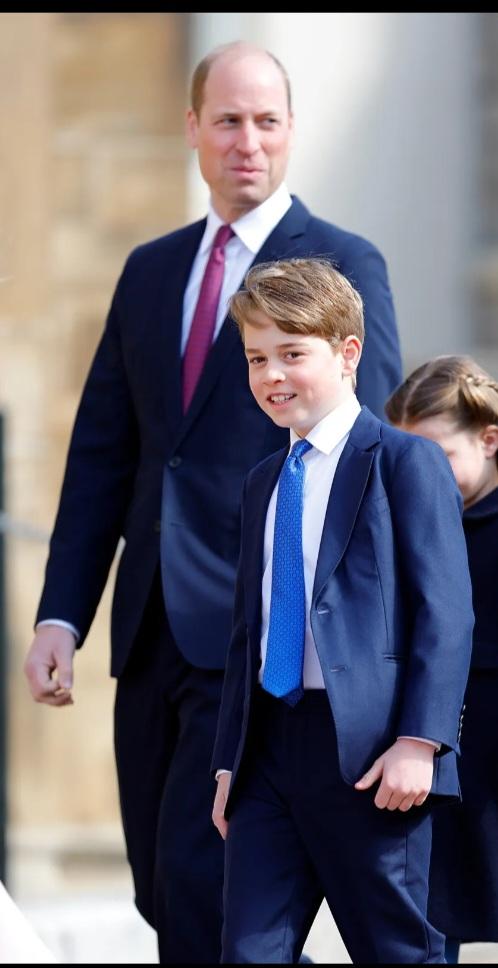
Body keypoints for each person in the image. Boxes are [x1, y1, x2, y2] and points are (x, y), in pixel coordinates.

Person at [23, 42, 402, 964]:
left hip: (259, 633)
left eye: (267, 121)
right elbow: (104, 454)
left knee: (204, 884)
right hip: (150, 627)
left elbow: (373, 460)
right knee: (161, 890)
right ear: (192, 128)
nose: (248, 142)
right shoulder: (150, 271)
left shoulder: (344, 261)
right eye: (228, 121)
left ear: (291, 131)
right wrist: (63, 614)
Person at [211, 258, 474, 964]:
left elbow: (445, 613)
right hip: (268, 755)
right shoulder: (264, 482)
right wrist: (229, 763)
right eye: (257, 358)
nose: (272, 375)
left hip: (372, 754)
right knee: (248, 953)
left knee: (397, 951)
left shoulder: (404, 462)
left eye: (292, 354)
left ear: (348, 353)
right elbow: (248, 631)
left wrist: (420, 740)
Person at [385, 355, 498, 965]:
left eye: (440, 456)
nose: (421, 475)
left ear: (489, 440)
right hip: (435, 755)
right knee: (425, 927)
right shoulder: (402, 525)